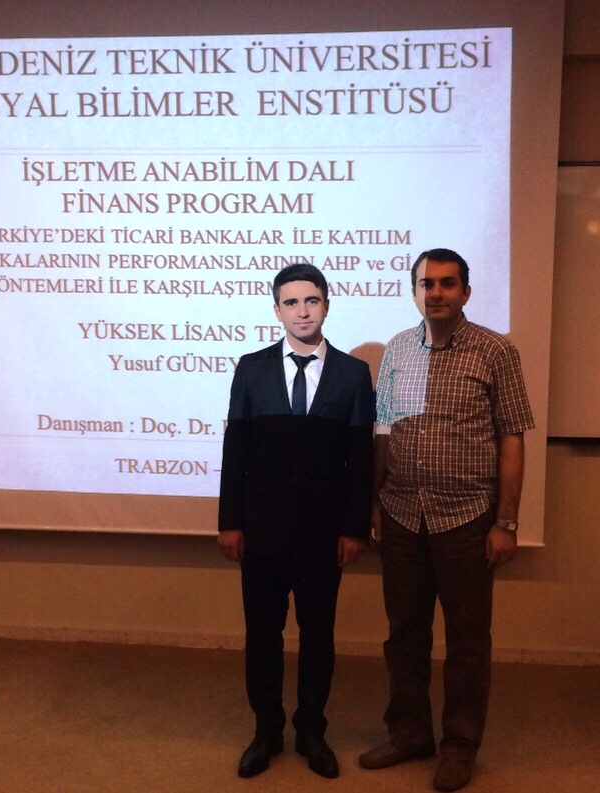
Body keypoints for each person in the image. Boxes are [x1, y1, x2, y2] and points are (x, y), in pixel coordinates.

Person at [358, 248, 534, 792]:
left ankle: (459, 746)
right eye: (426, 283)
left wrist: (506, 523)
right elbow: (384, 432)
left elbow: (512, 437)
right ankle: (410, 733)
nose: (436, 292)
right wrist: (374, 502)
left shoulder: (495, 351)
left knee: (467, 643)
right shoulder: (396, 350)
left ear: (465, 292)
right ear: (414, 291)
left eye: (447, 283)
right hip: (402, 514)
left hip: (467, 519)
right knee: (404, 635)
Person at [218, 262, 374, 779]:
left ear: (326, 305)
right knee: (262, 636)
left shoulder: (353, 373)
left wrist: (354, 528)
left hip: (323, 535)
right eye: (291, 302)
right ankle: (266, 731)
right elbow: (236, 450)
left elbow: (361, 459)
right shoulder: (251, 368)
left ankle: (311, 731)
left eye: (311, 300)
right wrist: (229, 522)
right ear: (277, 310)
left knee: (318, 637)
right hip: (260, 530)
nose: (302, 311)